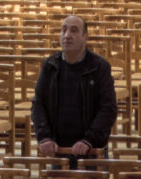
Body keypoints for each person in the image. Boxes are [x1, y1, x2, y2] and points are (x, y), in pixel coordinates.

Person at [30, 13, 118, 167]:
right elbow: (38, 104)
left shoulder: (99, 67)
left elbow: (108, 108)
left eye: (74, 30)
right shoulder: (50, 65)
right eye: (63, 30)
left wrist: (89, 140)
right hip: (58, 150)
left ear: (86, 37)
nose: (67, 35)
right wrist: (44, 137)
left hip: (90, 151)